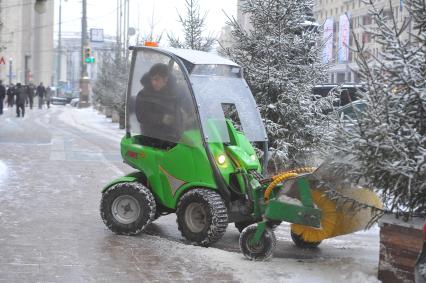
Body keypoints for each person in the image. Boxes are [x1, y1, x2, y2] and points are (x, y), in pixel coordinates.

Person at [135, 63, 193, 148]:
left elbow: (190, 107)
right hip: (152, 140)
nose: (153, 82)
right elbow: (141, 116)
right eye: (152, 79)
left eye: (157, 79)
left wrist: (191, 117)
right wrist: (161, 119)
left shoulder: (177, 92)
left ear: (166, 79)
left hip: (176, 137)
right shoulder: (144, 94)